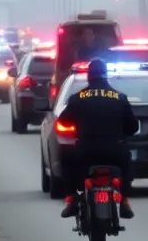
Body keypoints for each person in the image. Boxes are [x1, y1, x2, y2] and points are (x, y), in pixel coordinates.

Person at [56, 59, 139, 220]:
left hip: (85, 151)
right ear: (106, 76)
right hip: (114, 151)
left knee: (65, 157)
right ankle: (124, 201)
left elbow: (63, 121)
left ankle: (71, 199)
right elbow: (133, 127)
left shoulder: (77, 98)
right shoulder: (120, 98)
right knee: (128, 162)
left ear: (89, 76)